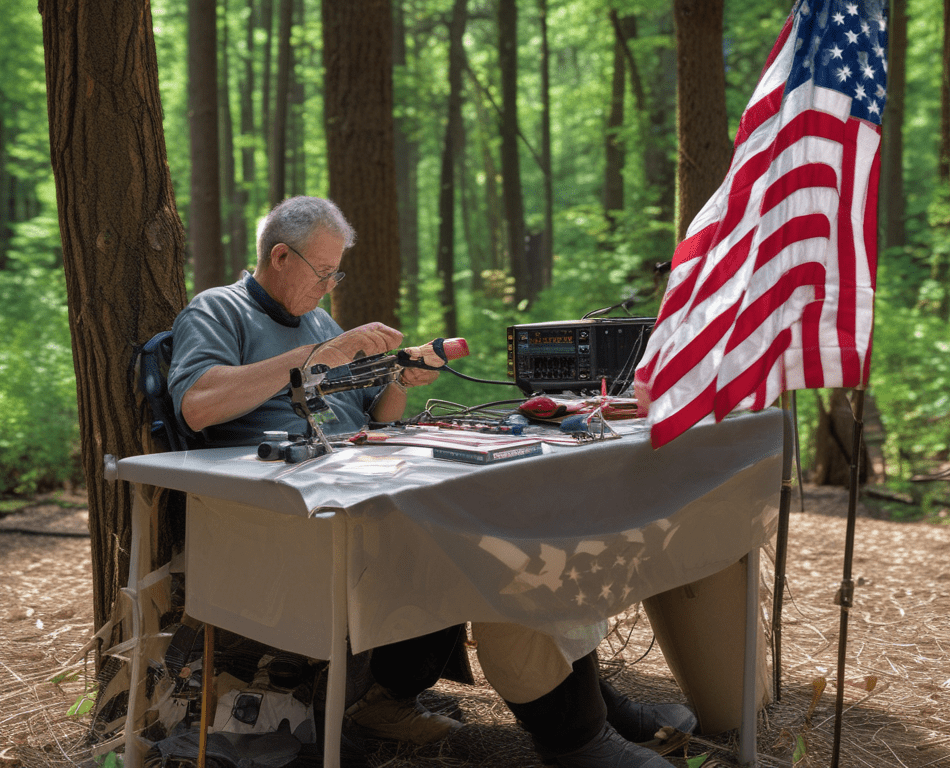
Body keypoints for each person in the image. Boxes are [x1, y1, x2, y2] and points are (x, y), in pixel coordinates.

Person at [168, 196, 695, 767]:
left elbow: (379, 418)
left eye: (335, 273)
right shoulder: (217, 311)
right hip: (291, 507)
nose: (329, 286)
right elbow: (198, 405)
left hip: (358, 483)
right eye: (324, 272)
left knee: (515, 517)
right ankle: (578, 739)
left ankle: (594, 707)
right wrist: (316, 356)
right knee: (489, 543)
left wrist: (400, 378)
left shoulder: (318, 321)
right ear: (279, 257)